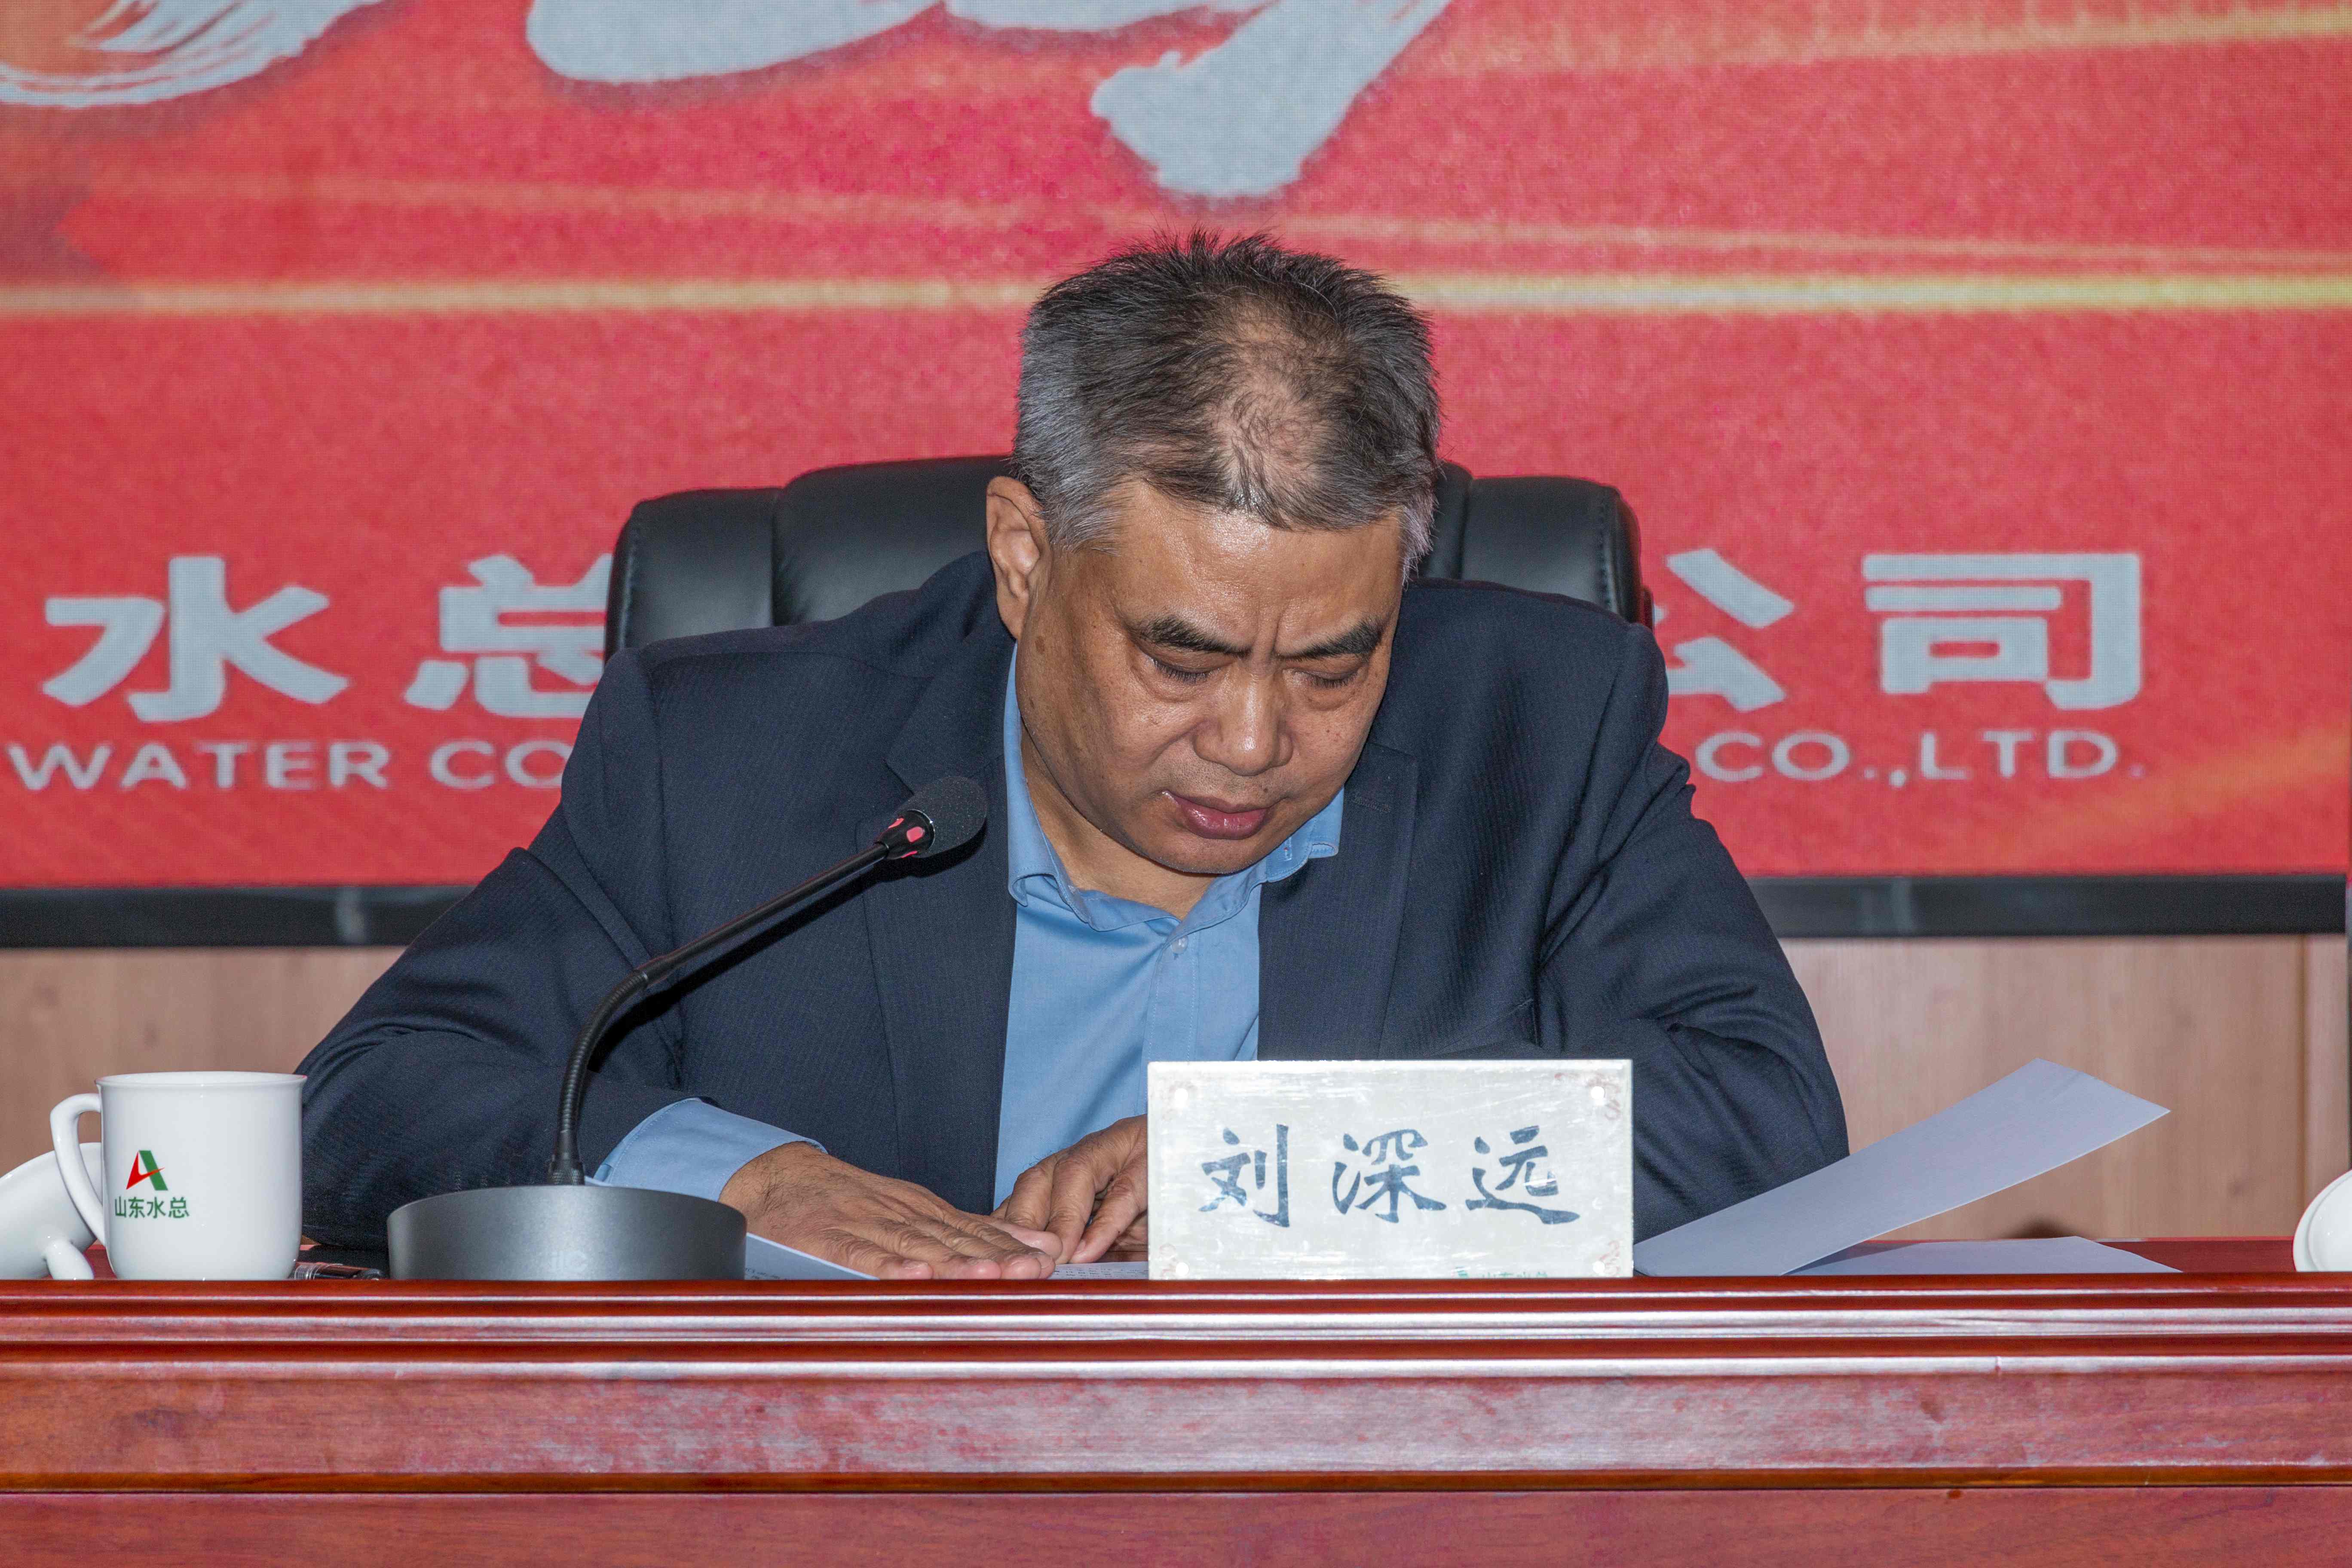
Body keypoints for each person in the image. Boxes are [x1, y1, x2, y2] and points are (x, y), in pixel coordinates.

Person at [300, 233, 1847, 1276]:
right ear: (1025, 558)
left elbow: (1766, 1122)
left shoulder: (1545, 728)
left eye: (1334, 661)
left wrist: (1264, 1168)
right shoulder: (727, 758)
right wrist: (748, 1183)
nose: (1254, 742)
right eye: (1181, 657)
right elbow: (373, 1097)